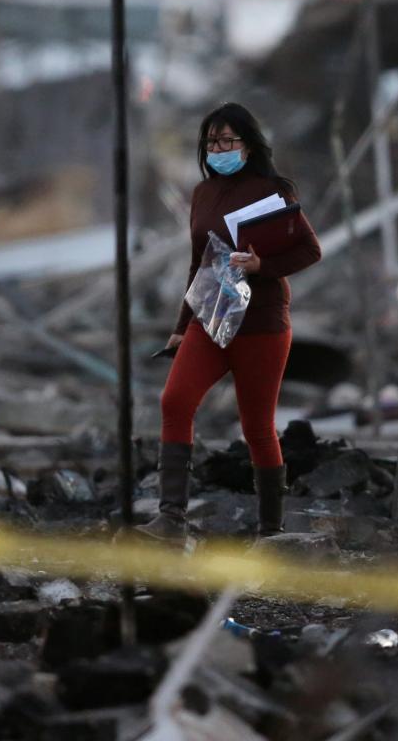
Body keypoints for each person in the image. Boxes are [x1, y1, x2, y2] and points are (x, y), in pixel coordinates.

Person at [137, 103, 322, 543]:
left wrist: (263, 265)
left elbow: (310, 251)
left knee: (257, 425)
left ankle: (270, 531)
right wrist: (182, 325)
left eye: (227, 141)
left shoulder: (275, 190)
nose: (218, 149)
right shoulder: (203, 194)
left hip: (261, 322)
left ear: (248, 144)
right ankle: (171, 518)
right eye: (211, 142)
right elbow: (198, 262)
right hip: (211, 313)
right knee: (175, 401)